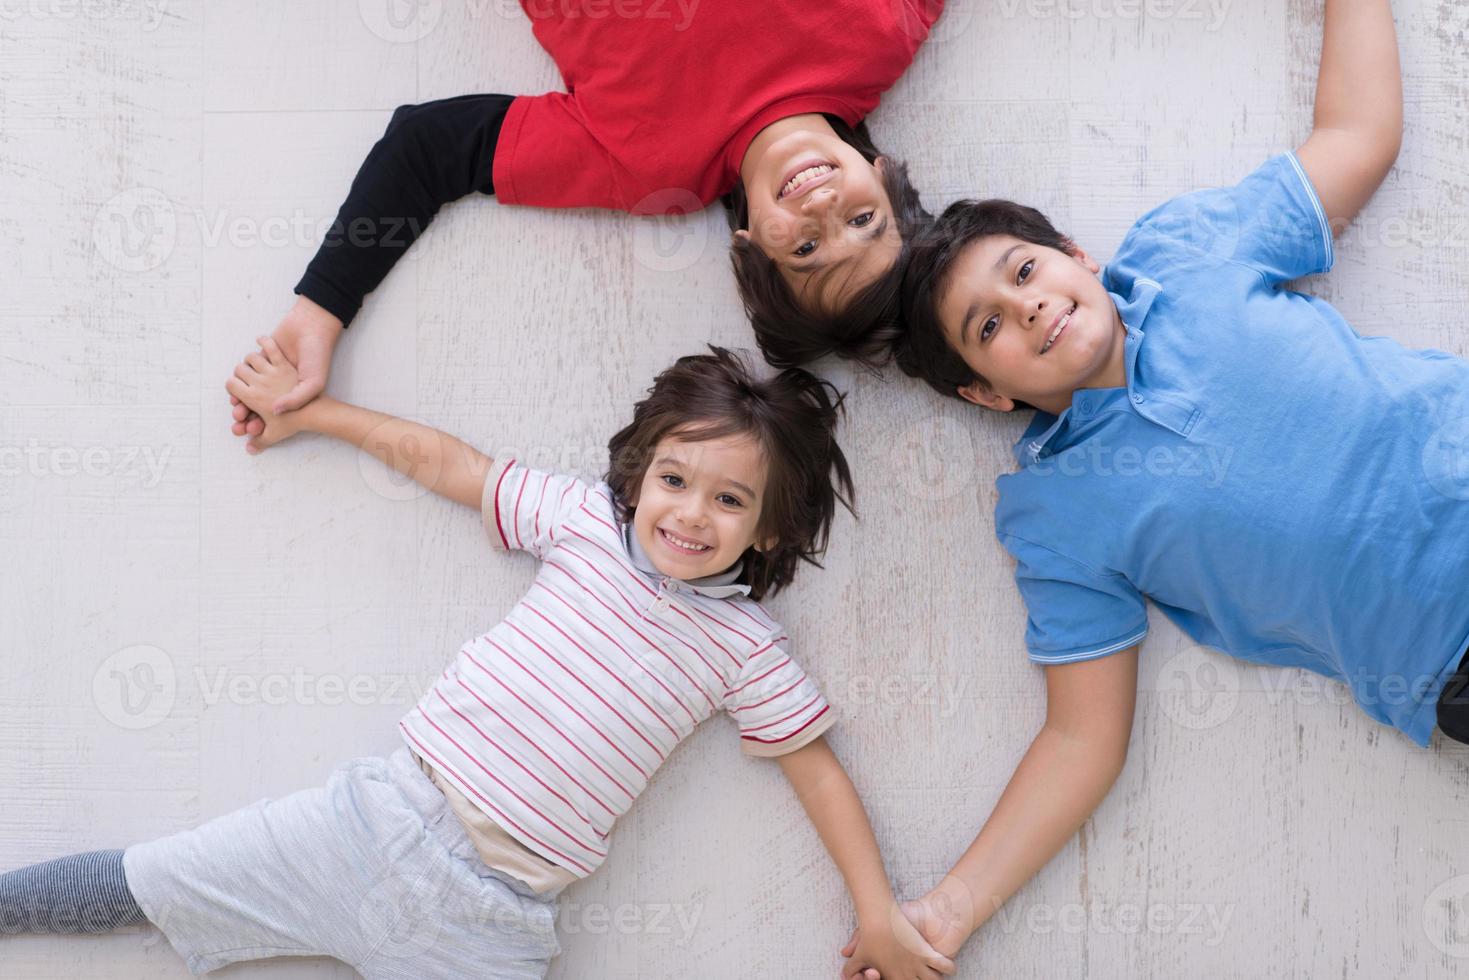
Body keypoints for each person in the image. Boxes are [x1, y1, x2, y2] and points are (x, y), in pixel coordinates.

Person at [3, 347, 955, 980]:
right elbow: (449, 466)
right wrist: (318, 415)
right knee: (150, 879)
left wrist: (876, 913)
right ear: (637, 476)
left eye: (728, 501)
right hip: (369, 824)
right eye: (674, 480)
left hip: (496, 915)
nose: (689, 515)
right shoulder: (586, 521)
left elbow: (815, 770)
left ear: (771, 527)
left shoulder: (745, 645)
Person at [878, 0, 1433, 963]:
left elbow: (1357, 136)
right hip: (1443, 657)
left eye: (1024, 271)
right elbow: (1078, 742)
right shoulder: (1051, 516)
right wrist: (943, 915)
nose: (1028, 307)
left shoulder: (1184, 257)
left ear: (1076, 257)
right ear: (985, 391)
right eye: (988, 327)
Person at [227, 0, 946, 451]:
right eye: (862, 219)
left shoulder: (650, 170)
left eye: (809, 249)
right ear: (883, 175)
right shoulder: (878, 33)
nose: (822, 210)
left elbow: (430, 147)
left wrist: (320, 311)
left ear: (752, 245)